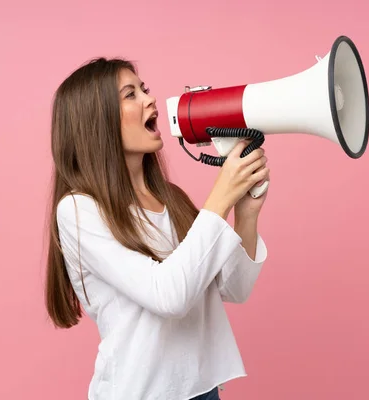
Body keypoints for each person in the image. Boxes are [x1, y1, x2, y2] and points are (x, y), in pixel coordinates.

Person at [44, 57, 270, 400]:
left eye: (144, 89)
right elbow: (168, 296)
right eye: (130, 94)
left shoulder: (170, 199)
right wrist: (220, 197)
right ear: (97, 120)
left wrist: (246, 216)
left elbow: (233, 288)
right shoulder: (78, 210)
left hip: (202, 389)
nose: (150, 99)